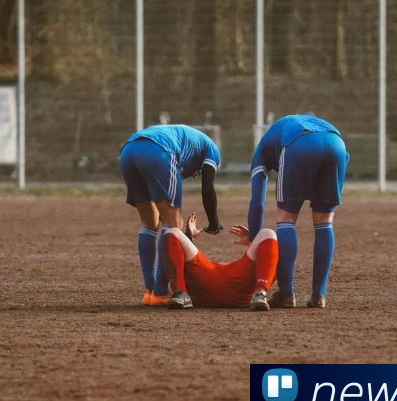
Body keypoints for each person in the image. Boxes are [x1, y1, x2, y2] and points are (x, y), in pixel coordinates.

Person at [246, 114, 349, 308]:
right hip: (337, 145)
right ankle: (319, 295)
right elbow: (345, 158)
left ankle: (286, 294)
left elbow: (257, 202)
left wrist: (253, 238)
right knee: (324, 221)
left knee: (285, 219)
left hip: (298, 144)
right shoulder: (290, 126)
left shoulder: (261, 150)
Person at [119, 124, 223, 306]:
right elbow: (208, 189)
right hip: (161, 151)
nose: (195, 175)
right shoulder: (212, 150)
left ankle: (149, 292)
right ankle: (161, 292)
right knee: (173, 225)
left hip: (129, 150)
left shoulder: (187, 140)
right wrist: (214, 221)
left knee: (148, 222)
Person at [162, 212, 278, 311]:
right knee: (268, 234)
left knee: (172, 232)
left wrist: (189, 238)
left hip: (206, 283)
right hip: (238, 285)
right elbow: (266, 262)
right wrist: (253, 244)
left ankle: (180, 293)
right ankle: (260, 293)